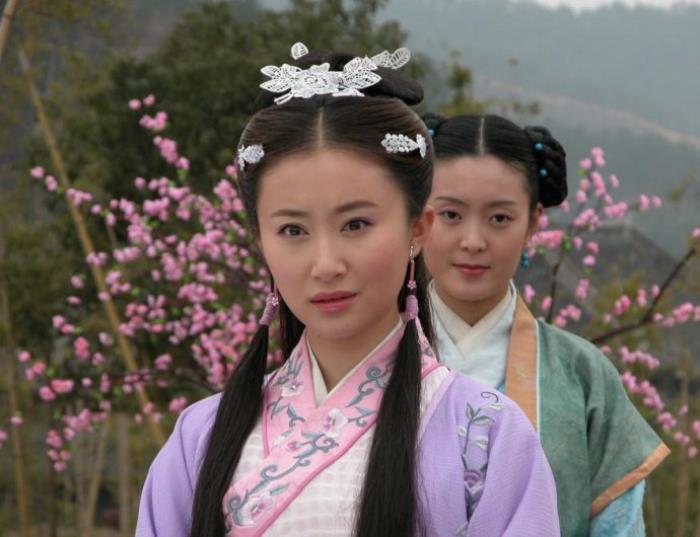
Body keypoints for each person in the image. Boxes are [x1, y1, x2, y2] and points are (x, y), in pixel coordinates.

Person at [136, 45, 560, 537]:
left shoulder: (485, 436)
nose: (326, 264)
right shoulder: (201, 438)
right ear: (260, 241)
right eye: (293, 230)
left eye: (355, 224)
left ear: (417, 229)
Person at [422, 112, 670, 537]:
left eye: (499, 218)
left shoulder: (583, 375)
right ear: (417, 216)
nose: (473, 241)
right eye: (450, 214)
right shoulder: (377, 358)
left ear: (534, 223)